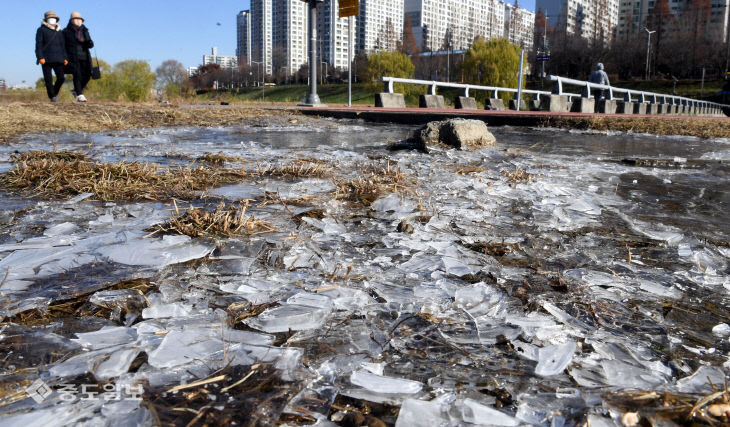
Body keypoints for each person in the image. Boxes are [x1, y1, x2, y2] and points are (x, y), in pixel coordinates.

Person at [35, 11, 68, 102]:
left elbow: (63, 46)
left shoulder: (60, 32)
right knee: (48, 79)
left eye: (54, 18)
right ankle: (52, 96)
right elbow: (39, 45)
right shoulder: (41, 30)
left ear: (57, 20)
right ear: (46, 19)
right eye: (50, 18)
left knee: (61, 78)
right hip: (46, 59)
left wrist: (65, 58)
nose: (52, 20)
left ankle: (54, 93)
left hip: (59, 58)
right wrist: (40, 56)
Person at [63, 11, 94, 102]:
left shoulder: (85, 30)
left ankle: (76, 90)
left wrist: (90, 43)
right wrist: (65, 58)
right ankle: (79, 95)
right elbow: (63, 45)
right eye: (76, 19)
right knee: (77, 74)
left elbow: (90, 44)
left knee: (88, 74)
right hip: (72, 57)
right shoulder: (66, 32)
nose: (78, 20)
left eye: (79, 19)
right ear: (71, 20)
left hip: (85, 56)